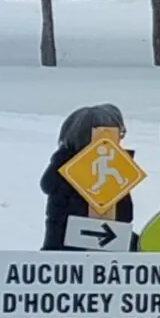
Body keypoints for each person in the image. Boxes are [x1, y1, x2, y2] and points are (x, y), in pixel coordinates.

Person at [40, 104, 138, 251]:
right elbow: (118, 223)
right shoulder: (72, 176)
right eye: (119, 133)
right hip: (76, 264)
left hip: (64, 260)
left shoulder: (61, 171)